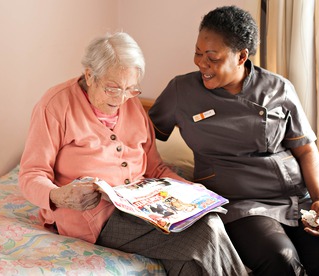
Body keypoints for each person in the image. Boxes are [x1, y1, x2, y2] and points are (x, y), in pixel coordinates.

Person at [18, 32, 247, 276]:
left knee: (189, 263)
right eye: (113, 89)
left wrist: (192, 192)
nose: (121, 99)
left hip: (142, 208)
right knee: (205, 231)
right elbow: (31, 174)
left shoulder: (131, 104)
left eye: (130, 89)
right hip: (93, 217)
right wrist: (59, 196)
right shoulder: (55, 105)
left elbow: (155, 168)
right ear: (89, 76)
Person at [149, 6, 319, 276]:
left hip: (294, 199)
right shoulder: (181, 91)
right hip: (239, 205)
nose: (201, 63)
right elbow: (141, 135)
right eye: (198, 53)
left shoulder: (278, 88)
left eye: (212, 57)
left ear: (242, 56)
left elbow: (306, 151)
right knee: (282, 260)